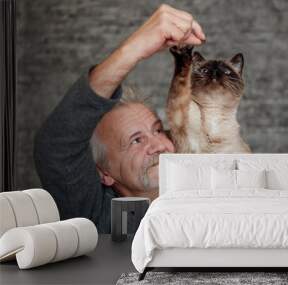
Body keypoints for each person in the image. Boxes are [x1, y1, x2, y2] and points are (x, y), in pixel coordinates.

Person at [33, 4, 206, 233]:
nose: (158, 146)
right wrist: (136, 48)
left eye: (157, 130)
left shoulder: (206, 196)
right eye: (136, 140)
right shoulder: (95, 217)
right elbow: (55, 146)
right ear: (105, 173)